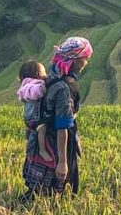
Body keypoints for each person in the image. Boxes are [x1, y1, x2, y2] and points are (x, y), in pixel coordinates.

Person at [21, 37, 93, 201]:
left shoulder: (54, 76)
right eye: (85, 59)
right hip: (56, 142)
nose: (86, 63)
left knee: (38, 189)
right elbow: (63, 126)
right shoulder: (65, 87)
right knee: (53, 193)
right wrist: (62, 162)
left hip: (42, 140)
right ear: (74, 61)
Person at [17, 61, 54, 163]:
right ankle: (42, 150)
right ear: (38, 74)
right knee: (42, 128)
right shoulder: (29, 85)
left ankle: (30, 134)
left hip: (34, 117)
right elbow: (34, 92)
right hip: (33, 118)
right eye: (43, 72)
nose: (45, 74)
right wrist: (41, 89)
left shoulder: (32, 83)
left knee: (35, 131)